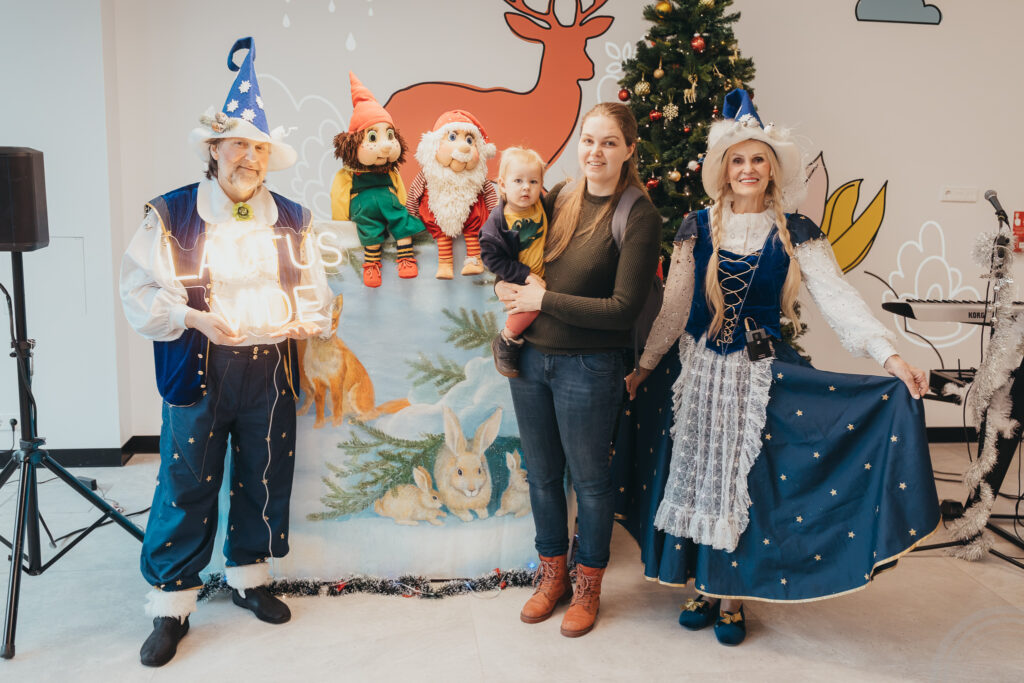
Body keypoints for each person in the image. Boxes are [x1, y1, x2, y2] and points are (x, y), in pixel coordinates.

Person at [616, 89, 940, 646]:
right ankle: (700, 584)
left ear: (772, 169)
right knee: (697, 473)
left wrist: (889, 356)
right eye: (738, 160)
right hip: (697, 368)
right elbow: (674, 306)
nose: (748, 169)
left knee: (746, 481)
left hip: (759, 370)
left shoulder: (797, 230)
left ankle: (731, 594)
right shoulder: (697, 225)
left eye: (758, 160)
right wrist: (646, 366)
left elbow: (837, 299)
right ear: (723, 169)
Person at [120, 38, 331, 667]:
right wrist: (193, 318)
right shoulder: (172, 214)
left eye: (259, 148)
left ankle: (250, 577)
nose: (250, 158)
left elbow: (315, 290)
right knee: (186, 480)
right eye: (238, 144)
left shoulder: (294, 219)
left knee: (264, 474)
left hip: (271, 369)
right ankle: (171, 602)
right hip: (200, 366)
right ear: (213, 149)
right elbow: (137, 294)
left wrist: (314, 319)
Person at [496, 102, 661, 637]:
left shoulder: (639, 215)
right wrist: (504, 284)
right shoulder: (560, 196)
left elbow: (623, 309)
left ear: (629, 149)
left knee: (590, 482)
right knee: (542, 476)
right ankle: (552, 577)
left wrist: (543, 301)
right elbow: (512, 245)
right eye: (588, 140)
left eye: (609, 142)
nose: (595, 152)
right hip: (531, 362)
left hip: (590, 368)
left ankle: (588, 585)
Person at [481, 146, 548, 377]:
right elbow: (491, 258)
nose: (526, 187)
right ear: (502, 185)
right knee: (530, 309)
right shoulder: (498, 223)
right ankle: (505, 340)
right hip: (519, 277)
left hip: (543, 274)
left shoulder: (541, 205)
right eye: (518, 181)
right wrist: (523, 275)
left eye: (533, 181)